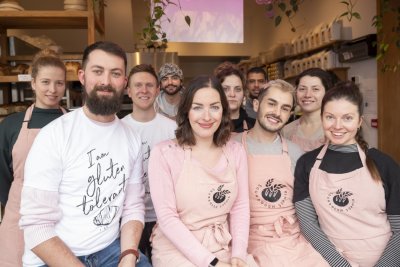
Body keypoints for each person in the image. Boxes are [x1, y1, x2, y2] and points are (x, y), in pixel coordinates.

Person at [19, 41, 151, 267]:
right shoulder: (55, 135)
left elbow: (133, 206)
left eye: (115, 73)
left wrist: (128, 255)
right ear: (82, 76)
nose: (106, 82)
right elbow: (36, 226)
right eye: (98, 71)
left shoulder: (131, 138)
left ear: (124, 83)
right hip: (52, 257)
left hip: (110, 249)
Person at [148, 75, 257, 267]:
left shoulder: (235, 151)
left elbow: (240, 207)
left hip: (224, 244)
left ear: (223, 111)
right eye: (197, 107)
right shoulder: (164, 153)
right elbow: (167, 218)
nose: (207, 117)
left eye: (214, 107)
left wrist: (238, 254)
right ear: (186, 111)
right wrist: (211, 262)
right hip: (178, 249)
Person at [294, 81, 400, 267]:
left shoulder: (383, 164)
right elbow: (309, 226)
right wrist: (340, 265)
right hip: (328, 261)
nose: (337, 125)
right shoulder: (306, 164)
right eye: (330, 117)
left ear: (359, 121)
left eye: (347, 118)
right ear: (322, 118)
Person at [234, 80, 328, 266]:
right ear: (256, 105)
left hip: (292, 242)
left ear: (290, 115)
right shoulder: (233, 146)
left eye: (285, 108)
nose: (277, 113)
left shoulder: (296, 153)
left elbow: (307, 210)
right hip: (249, 242)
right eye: (271, 103)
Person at [0, 48, 68, 267]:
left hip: (62, 216)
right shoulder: (10, 125)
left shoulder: (74, 123)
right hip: (18, 217)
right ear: (33, 83)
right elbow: (2, 177)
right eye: (46, 82)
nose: (53, 89)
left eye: (59, 83)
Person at [122, 63, 177, 262]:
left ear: (157, 89)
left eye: (149, 85)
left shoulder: (173, 129)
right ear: (128, 90)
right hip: (127, 219)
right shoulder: (119, 129)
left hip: (164, 218)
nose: (143, 90)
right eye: (138, 85)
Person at [282, 68, 337, 152]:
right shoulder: (286, 130)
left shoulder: (337, 129)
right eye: (302, 89)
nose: (307, 95)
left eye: (315, 89)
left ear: (327, 93)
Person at [215, 62, 255, 133]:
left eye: (237, 89)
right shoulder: (209, 126)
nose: (232, 94)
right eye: (225, 89)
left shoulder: (254, 126)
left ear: (244, 94)